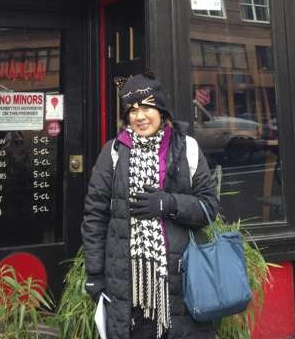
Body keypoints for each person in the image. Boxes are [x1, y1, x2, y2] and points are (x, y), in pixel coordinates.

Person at [81, 70, 220, 339]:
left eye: (146, 107)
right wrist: (95, 273)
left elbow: (208, 207)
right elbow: (95, 216)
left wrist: (168, 204)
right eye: (132, 110)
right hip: (128, 286)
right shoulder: (113, 152)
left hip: (182, 283)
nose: (140, 116)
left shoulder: (186, 148)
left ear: (161, 110)